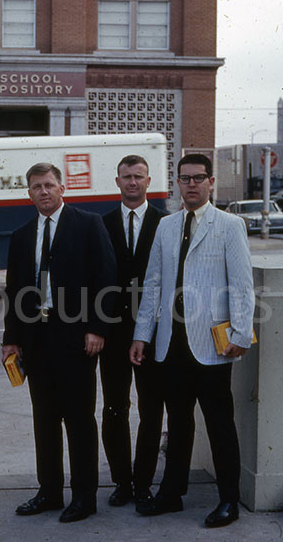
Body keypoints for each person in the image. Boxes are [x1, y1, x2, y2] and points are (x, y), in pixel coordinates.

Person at [130, 153, 255, 528]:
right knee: (178, 422)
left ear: (211, 182)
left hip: (213, 345)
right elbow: (152, 284)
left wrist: (240, 335)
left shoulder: (230, 226)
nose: (192, 185)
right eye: (185, 179)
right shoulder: (166, 226)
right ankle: (171, 494)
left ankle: (228, 501)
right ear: (177, 183)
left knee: (219, 423)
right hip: (171, 343)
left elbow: (242, 284)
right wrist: (142, 335)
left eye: (199, 178)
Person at [1, 163, 116, 523]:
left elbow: (106, 277)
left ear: (62, 188)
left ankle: (84, 497)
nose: (44, 192)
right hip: (37, 341)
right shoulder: (21, 235)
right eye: (36, 187)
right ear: (29, 192)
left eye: (50, 185)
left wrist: (98, 328)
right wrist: (11, 340)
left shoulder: (87, 224)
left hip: (77, 339)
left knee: (79, 420)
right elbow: (14, 290)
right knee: (44, 419)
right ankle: (49, 491)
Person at [100, 155, 167, 510]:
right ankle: (122, 481)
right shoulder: (102, 224)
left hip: (152, 333)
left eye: (138, 177)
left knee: (151, 409)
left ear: (148, 180)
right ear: (117, 181)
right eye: (126, 176)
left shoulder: (165, 223)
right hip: (111, 335)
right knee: (114, 407)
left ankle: (143, 483)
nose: (132, 182)